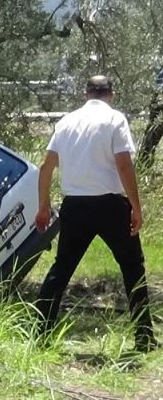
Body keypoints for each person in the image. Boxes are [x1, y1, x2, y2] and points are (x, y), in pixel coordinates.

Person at [35, 75, 157, 352]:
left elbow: (46, 167)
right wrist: (136, 207)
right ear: (111, 94)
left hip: (75, 206)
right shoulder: (114, 120)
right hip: (111, 205)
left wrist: (43, 206)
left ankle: (40, 333)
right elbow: (124, 165)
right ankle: (144, 336)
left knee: (61, 269)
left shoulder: (66, 122)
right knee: (132, 268)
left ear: (86, 93)